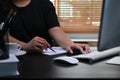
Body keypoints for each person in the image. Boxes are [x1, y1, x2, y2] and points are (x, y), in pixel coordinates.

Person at [0, 0, 91, 54]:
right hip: (15, 58)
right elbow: (3, 35)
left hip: (44, 59)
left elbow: (55, 29)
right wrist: (25, 46)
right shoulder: (2, 5)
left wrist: (69, 44)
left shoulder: (44, 3)